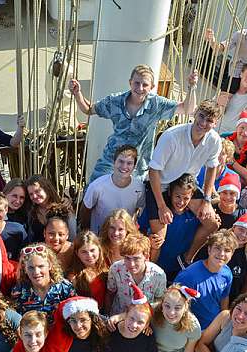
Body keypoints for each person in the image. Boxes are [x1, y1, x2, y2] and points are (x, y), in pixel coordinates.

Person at [69, 64, 199, 181]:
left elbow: (187, 108)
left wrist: (191, 87)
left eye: (145, 85)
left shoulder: (156, 104)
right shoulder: (115, 101)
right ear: (130, 83)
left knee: (132, 202)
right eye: (136, 83)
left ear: (152, 87)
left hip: (137, 166)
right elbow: (89, 109)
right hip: (111, 160)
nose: (140, 88)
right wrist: (77, 93)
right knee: (93, 190)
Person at [147, 101, 222, 261]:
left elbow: (212, 167)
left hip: (186, 184)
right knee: (158, 239)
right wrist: (161, 206)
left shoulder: (214, 140)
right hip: (161, 185)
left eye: (209, 120)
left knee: (212, 224)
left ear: (215, 123)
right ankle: (150, 275)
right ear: (194, 114)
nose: (203, 123)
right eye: (201, 116)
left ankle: (187, 259)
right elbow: (153, 171)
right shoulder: (171, 136)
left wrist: (207, 200)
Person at [139, 174, 202, 280]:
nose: (181, 202)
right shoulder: (156, 214)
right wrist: (148, 240)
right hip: (155, 268)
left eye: (186, 198)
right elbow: (139, 233)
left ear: (192, 197)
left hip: (178, 270)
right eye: (178, 196)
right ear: (170, 193)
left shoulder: (194, 215)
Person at [174, 229, 238, 329]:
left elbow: (224, 297)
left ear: (232, 254)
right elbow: (175, 302)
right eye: (217, 248)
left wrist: (223, 323)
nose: (221, 254)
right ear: (209, 250)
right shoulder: (188, 275)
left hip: (215, 327)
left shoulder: (227, 273)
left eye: (227, 250)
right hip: (192, 328)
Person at [81, 145, 145, 234]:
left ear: (134, 166)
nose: (124, 166)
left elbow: (138, 209)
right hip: (100, 237)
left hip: (124, 237)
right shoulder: (97, 186)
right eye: (121, 161)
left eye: (129, 163)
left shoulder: (139, 187)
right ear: (114, 162)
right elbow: (85, 210)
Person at [106, 233, 167, 316]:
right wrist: (107, 315)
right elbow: (110, 293)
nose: (132, 264)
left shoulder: (158, 275)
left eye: (136, 258)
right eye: (127, 258)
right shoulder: (116, 269)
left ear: (146, 256)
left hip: (143, 320)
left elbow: (159, 300)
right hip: (117, 316)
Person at [11, 244, 76, 320]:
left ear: (50, 265)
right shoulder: (19, 291)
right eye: (30, 268)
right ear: (25, 269)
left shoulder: (65, 288)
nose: (36, 272)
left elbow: (75, 317)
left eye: (41, 266)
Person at [25, 175, 76, 242]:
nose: (34, 196)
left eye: (37, 191)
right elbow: (31, 239)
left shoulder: (64, 210)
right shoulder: (32, 214)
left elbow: (72, 238)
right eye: (31, 194)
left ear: (47, 189)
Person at [68, 231, 108, 309]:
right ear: (77, 253)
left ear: (99, 249)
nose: (89, 255)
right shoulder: (74, 276)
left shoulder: (106, 267)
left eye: (92, 250)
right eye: (84, 252)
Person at [43, 203, 74, 271]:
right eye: (51, 234)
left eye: (61, 234)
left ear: (67, 235)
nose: (56, 238)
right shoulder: (38, 252)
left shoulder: (75, 251)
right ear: (44, 233)